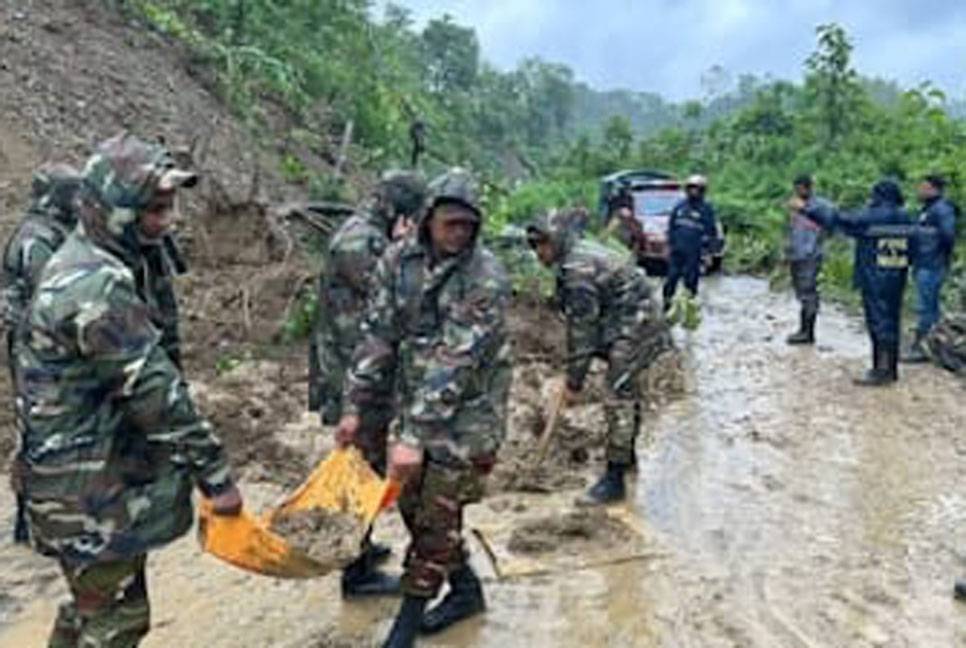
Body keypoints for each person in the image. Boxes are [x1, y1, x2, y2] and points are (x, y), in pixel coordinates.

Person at [16, 132, 243, 647]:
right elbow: (153, 391)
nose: (169, 220)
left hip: (78, 482)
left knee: (91, 607)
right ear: (115, 208)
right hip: (87, 494)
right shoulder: (94, 284)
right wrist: (216, 475)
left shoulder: (102, 259)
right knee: (116, 621)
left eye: (170, 206)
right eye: (156, 208)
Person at [336, 169, 511, 647]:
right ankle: (467, 590)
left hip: (470, 411)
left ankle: (407, 626)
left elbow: (453, 363)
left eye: (467, 226)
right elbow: (378, 333)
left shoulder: (485, 277)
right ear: (429, 217)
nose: (458, 234)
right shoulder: (399, 259)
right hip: (414, 402)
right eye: (450, 223)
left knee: (437, 512)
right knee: (412, 504)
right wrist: (355, 405)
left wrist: (411, 436)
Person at [314, 169, 428, 598]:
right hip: (355, 378)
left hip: (360, 370)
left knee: (369, 462)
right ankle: (355, 570)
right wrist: (404, 248)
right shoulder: (360, 242)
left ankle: (361, 544)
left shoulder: (362, 233)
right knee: (362, 468)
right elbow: (396, 297)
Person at [526, 210, 669, 505]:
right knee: (625, 391)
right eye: (533, 245)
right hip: (625, 318)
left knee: (618, 394)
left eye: (541, 244)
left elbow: (582, 332)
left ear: (557, 240)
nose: (538, 253)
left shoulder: (578, 270)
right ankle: (626, 456)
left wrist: (573, 383)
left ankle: (614, 479)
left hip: (637, 325)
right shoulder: (574, 257)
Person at [2, 163, 82, 545]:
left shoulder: (55, 233)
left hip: (51, 348)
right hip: (36, 352)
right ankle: (30, 521)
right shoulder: (35, 239)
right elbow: (53, 297)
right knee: (38, 433)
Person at [798, 180, 913, 385]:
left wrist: (808, 209)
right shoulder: (905, 216)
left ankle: (881, 371)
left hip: (875, 275)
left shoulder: (875, 215)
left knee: (878, 321)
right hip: (897, 275)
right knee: (892, 320)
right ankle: (890, 368)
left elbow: (842, 220)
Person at [903, 174, 958, 362]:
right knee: (928, 306)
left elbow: (948, 235)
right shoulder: (929, 209)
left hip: (932, 264)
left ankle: (923, 348)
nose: (920, 190)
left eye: (924, 187)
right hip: (924, 263)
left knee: (926, 307)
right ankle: (930, 345)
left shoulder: (942, 209)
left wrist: (938, 254)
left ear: (934, 189)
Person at [785, 175, 835, 345]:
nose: (798, 192)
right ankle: (803, 329)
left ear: (809, 188)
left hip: (811, 254)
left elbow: (831, 224)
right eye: (796, 188)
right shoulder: (793, 205)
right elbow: (792, 230)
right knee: (801, 292)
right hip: (796, 254)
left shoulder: (822, 206)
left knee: (808, 292)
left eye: (801, 188)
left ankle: (808, 332)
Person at [663, 174, 719, 308]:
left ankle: (688, 307)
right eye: (691, 188)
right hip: (677, 251)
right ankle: (666, 304)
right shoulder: (679, 206)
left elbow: (712, 232)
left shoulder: (706, 209)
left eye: (697, 188)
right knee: (671, 278)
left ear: (702, 190)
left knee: (691, 281)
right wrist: (667, 246)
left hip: (694, 252)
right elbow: (671, 227)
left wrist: (710, 253)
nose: (694, 191)